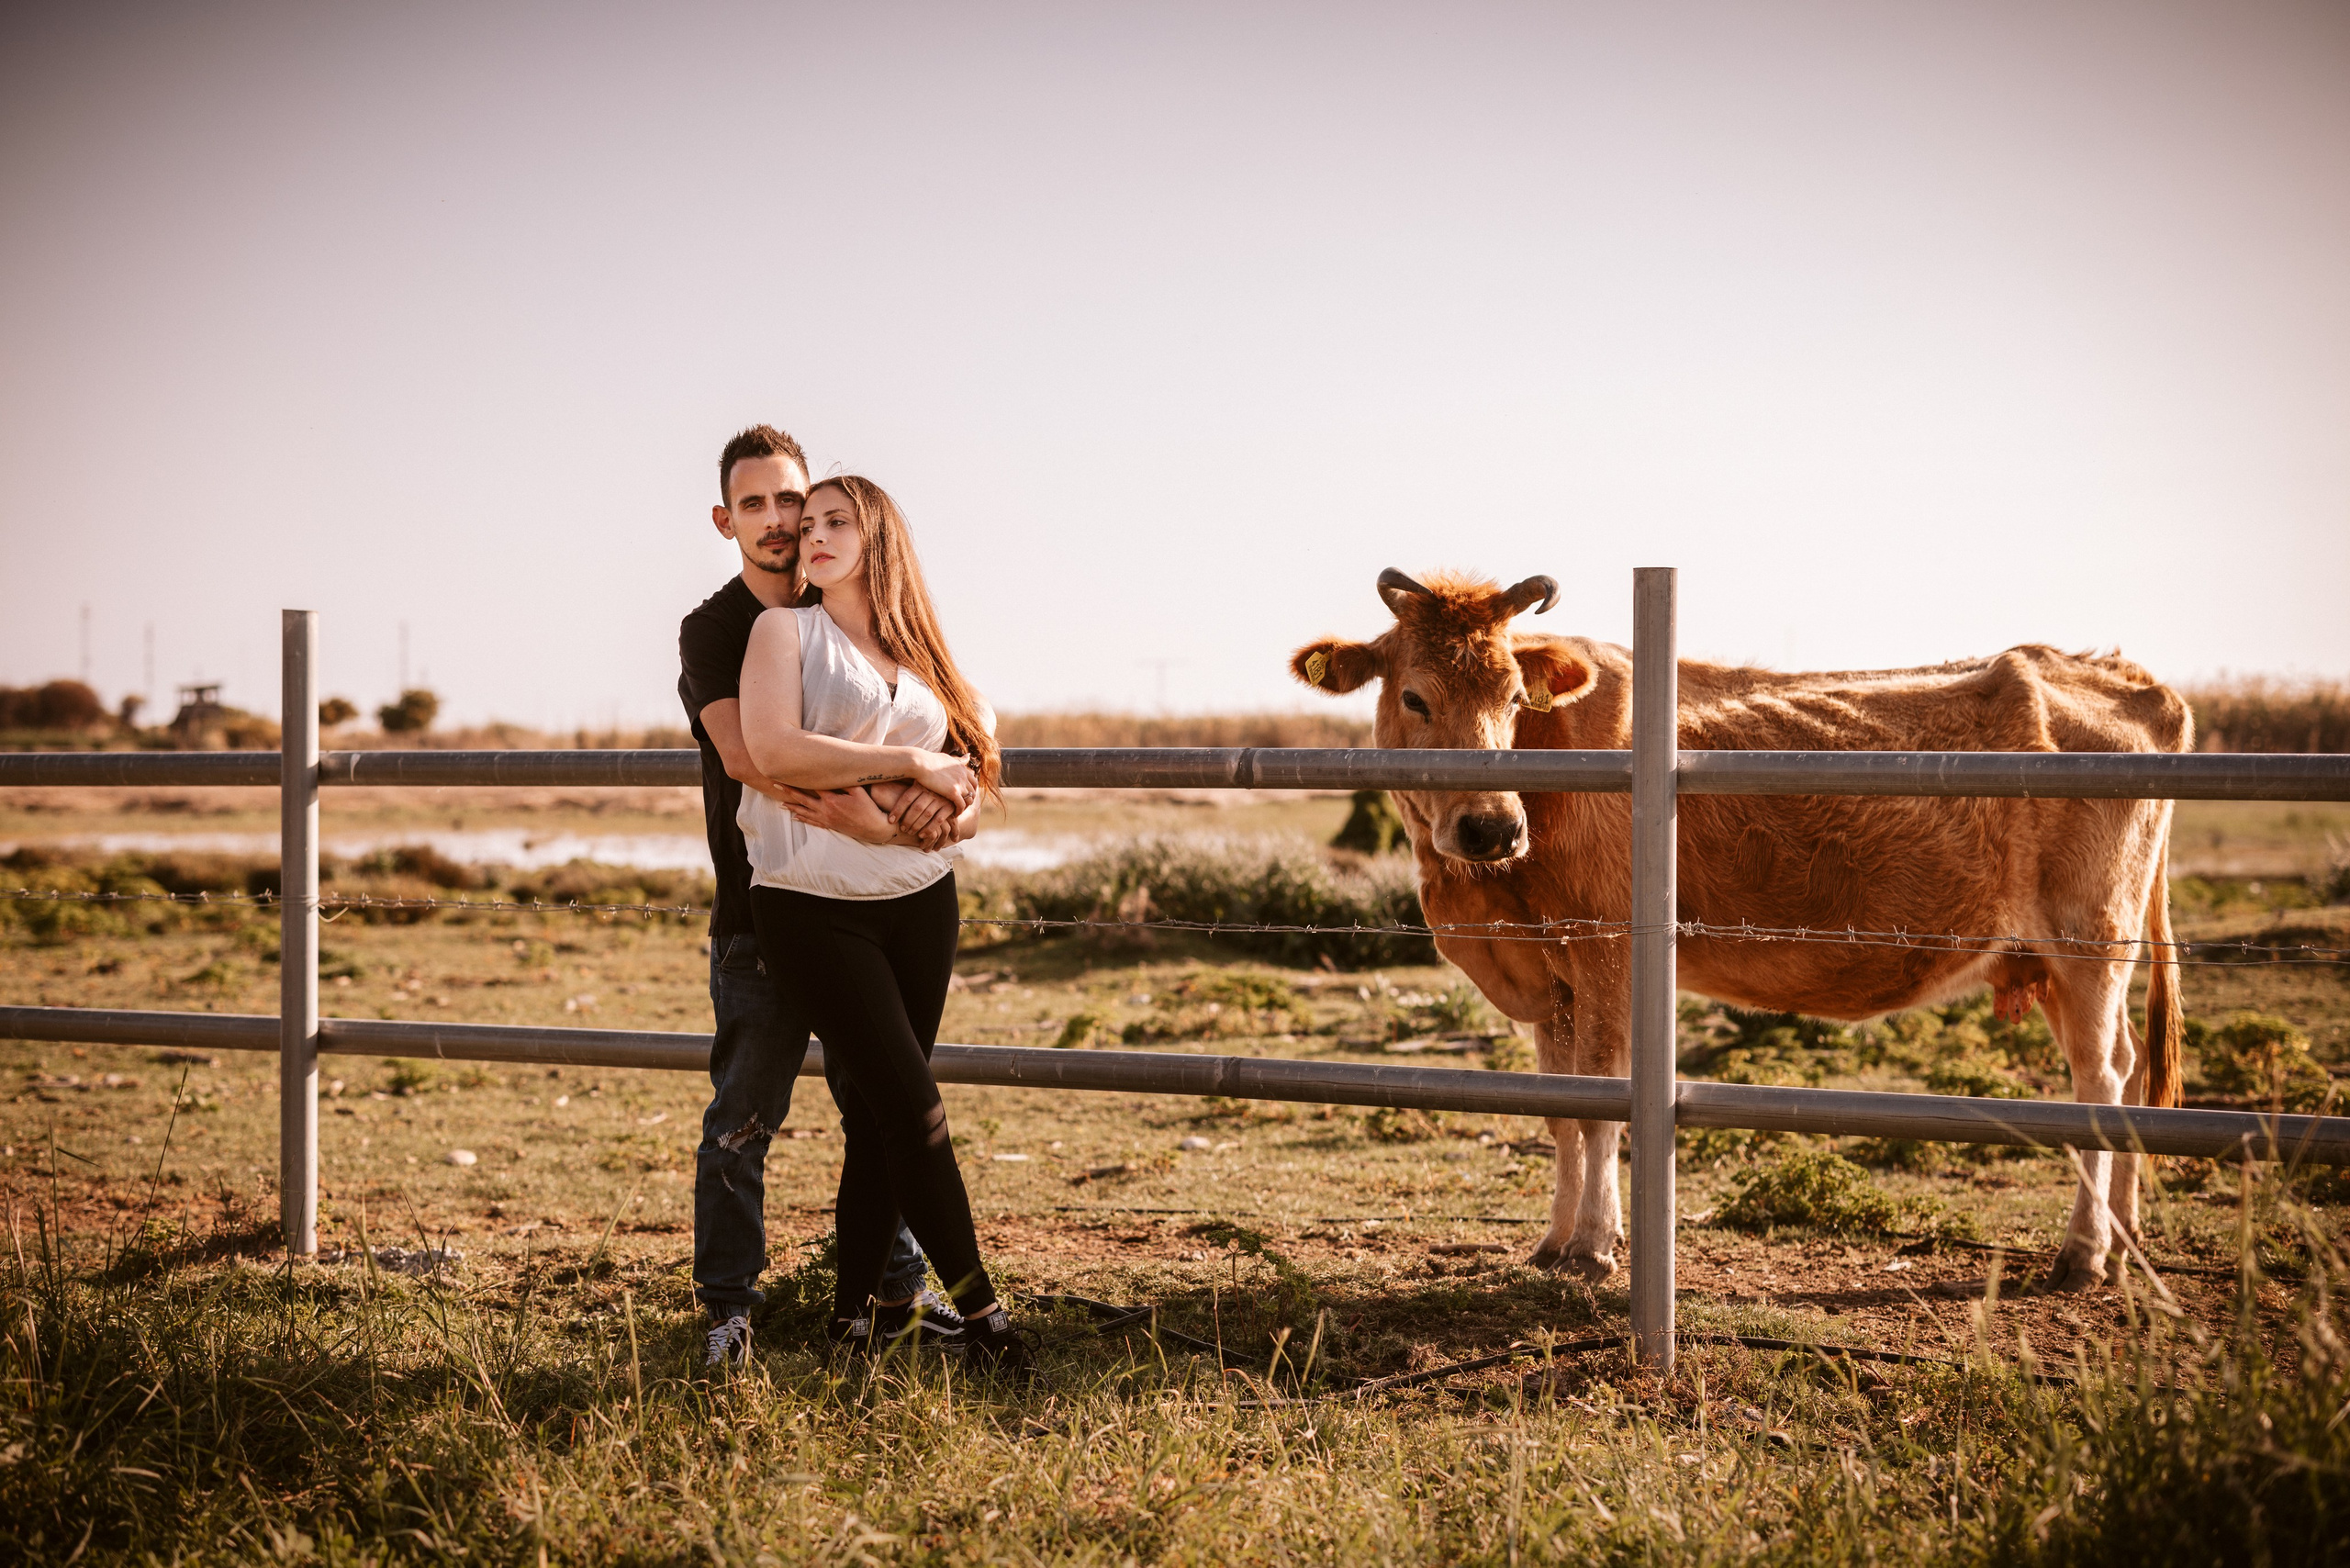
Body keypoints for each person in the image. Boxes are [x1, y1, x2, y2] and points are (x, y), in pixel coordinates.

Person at [678, 425, 968, 1372]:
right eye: (753, 504)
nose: (778, 520)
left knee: (882, 1108)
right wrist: (893, 795)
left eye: (791, 502)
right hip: (762, 912)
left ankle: (895, 1296)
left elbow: (958, 735)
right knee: (742, 1120)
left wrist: (935, 803)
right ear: (725, 520)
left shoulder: (851, 613)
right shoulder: (718, 629)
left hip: (874, 910)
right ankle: (728, 1312)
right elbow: (749, 756)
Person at [737, 475, 1036, 1382]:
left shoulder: (930, 661)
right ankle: (986, 1319)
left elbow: (975, 786)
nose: (813, 536)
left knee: (878, 1122)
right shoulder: (784, 632)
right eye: (808, 525)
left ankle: (851, 1323)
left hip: (920, 901)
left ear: (879, 538)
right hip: (810, 901)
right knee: (915, 1110)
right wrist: (910, 761)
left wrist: (920, 818)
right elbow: (773, 748)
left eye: (837, 522)